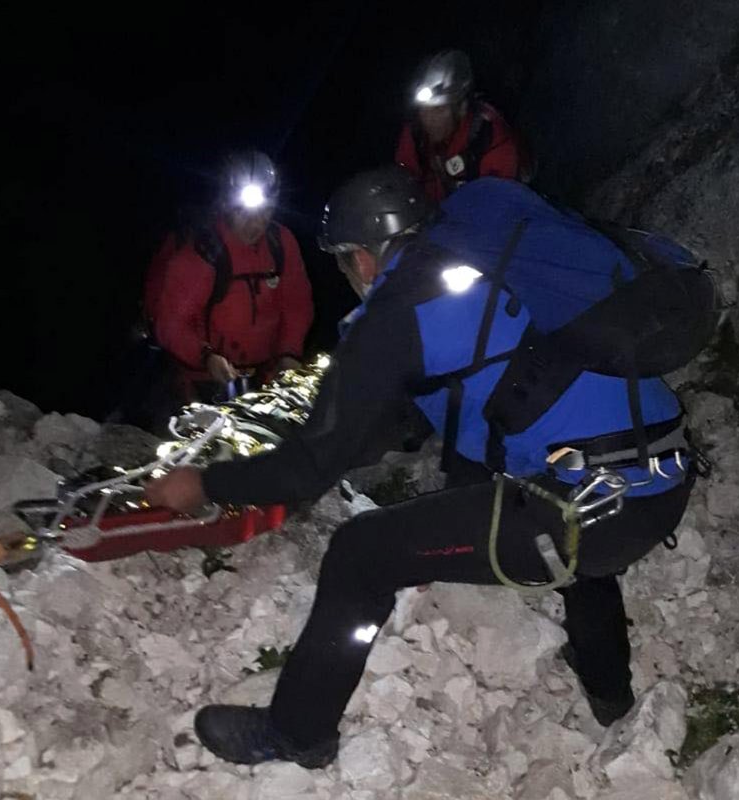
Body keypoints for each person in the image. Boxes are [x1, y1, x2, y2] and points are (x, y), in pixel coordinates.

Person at [145, 167, 698, 769]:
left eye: (341, 261)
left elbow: (308, 469)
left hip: (592, 506)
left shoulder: (394, 314)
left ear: (360, 257)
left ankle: (296, 732)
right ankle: (610, 694)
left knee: (361, 555)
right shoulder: (479, 263)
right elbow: (437, 410)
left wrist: (202, 483)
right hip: (659, 471)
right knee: (571, 533)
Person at [143, 150, 313, 406]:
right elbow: (171, 324)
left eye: (265, 212)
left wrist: (289, 352)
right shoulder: (204, 253)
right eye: (244, 213)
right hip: (204, 381)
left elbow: (296, 304)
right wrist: (206, 357)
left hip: (265, 377)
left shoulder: (282, 243)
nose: (255, 224)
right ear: (226, 203)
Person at [394, 49, 526, 203]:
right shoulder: (415, 134)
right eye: (423, 109)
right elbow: (401, 185)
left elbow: (498, 210)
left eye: (439, 109)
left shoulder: (492, 142)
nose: (428, 118)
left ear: (461, 108)